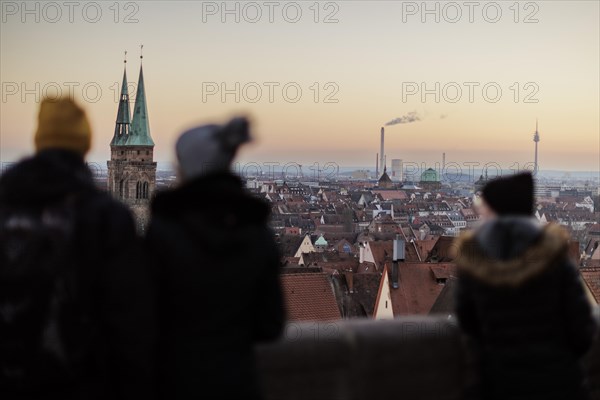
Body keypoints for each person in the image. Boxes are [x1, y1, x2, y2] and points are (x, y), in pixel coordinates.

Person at [0, 98, 157, 400]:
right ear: (84, 145)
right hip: (80, 377)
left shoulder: (5, 206)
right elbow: (129, 316)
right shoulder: (107, 215)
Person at [145, 117, 285, 400]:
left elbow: (142, 319)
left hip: (174, 384)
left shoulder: (164, 232)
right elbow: (270, 326)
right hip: (238, 386)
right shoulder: (257, 233)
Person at [454, 172, 598, 400]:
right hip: (560, 385)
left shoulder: (475, 261)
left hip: (498, 385)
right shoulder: (555, 258)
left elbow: (468, 325)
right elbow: (582, 331)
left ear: (493, 210)